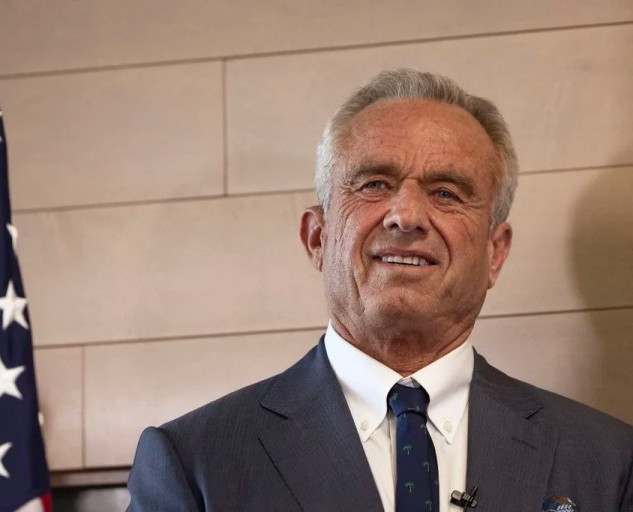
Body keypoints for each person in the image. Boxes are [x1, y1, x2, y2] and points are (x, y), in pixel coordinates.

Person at [126, 69, 633, 512]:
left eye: (445, 193)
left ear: (494, 253)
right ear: (318, 238)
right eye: (374, 184)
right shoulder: (195, 462)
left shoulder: (608, 462)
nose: (406, 216)